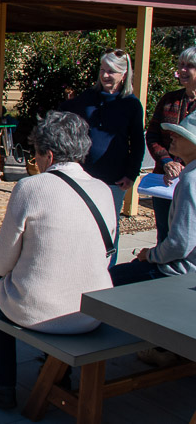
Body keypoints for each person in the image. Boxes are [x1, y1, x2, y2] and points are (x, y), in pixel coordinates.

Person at [0, 111, 116, 410]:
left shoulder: (30, 188)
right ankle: (58, 376)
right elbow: (106, 255)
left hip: (41, 312)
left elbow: (1, 265)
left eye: (35, 155)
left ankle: (3, 385)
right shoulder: (104, 191)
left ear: (49, 156)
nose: (34, 161)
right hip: (93, 311)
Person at [61, 48, 143, 264]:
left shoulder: (131, 104)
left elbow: (137, 142)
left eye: (112, 71)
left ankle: (108, 271)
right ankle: (80, 266)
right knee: (81, 221)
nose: (105, 75)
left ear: (123, 75)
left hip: (115, 178)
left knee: (109, 226)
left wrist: (131, 174)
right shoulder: (88, 98)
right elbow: (62, 115)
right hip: (85, 175)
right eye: (103, 70)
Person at [110, 111, 196, 286]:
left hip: (178, 271)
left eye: (181, 134)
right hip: (184, 269)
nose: (172, 136)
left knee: (105, 282)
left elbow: (180, 243)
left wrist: (149, 255)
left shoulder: (191, 180)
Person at [146, 46, 196, 242]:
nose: (182, 70)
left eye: (189, 66)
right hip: (164, 181)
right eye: (180, 65)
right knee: (164, 234)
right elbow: (152, 135)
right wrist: (166, 161)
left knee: (186, 234)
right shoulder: (169, 100)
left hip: (191, 181)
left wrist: (185, 166)